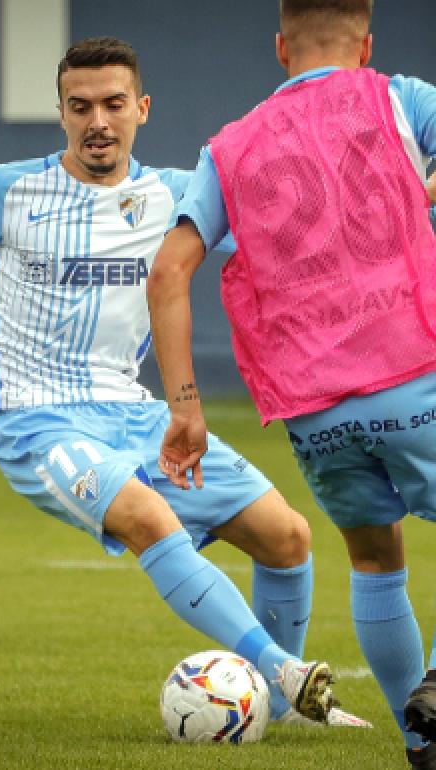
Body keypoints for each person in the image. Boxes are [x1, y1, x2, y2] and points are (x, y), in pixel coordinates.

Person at [0, 35, 368, 729]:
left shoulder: (178, 197)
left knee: (288, 536)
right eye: (81, 106)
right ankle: (282, 668)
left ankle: (280, 710)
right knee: (150, 520)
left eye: (114, 104)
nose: (98, 121)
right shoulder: (6, 192)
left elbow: (295, 242)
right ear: (60, 112)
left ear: (142, 109)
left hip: (138, 417)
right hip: (40, 425)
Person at [147, 0, 436, 765]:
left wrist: (185, 411)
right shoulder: (399, 97)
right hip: (415, 372)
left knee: (376, 560)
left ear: (280, 48)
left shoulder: (229, 148)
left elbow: (169, 270)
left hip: (314, 412)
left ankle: (420, 745)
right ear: (367, 44)